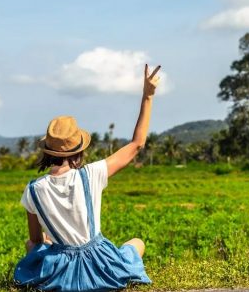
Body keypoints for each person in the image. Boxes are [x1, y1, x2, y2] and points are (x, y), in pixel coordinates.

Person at [14, 64, 161, 291]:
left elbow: (34, 240)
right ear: (79, 151)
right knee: (137, 243)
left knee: (34, 243)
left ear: (47, 151)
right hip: (101, 266)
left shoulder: (33, 189)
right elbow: (136, 144)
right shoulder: (91, 173)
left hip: (60, 273)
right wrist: (147, 95)